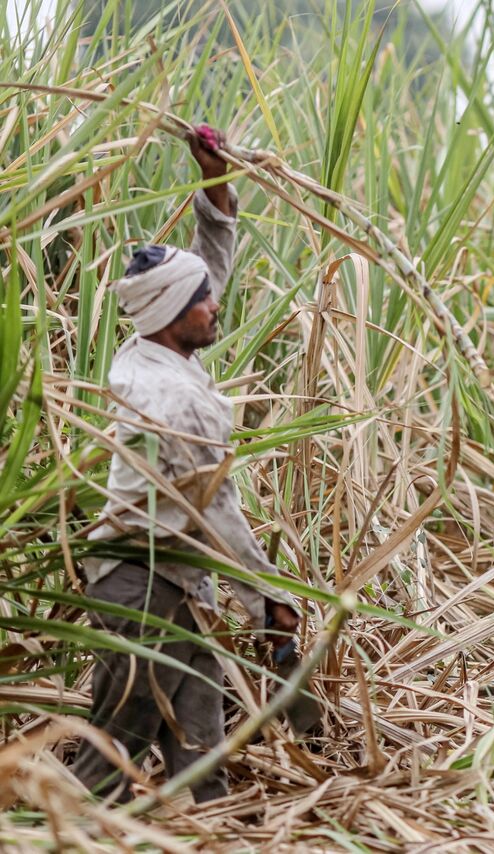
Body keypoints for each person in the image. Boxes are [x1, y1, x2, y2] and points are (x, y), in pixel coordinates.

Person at [72, 124, 300, 804]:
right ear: (174, 314)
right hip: (141, 588)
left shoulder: (156, 347)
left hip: (174, 583)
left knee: (200, 747)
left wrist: (214, 182)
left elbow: (207, 271)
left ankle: (213, 826)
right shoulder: (174, 398)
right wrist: (270, 600)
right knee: (113, 753)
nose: (215, 305)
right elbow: (219, 514)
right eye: (202, 301)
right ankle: (49, 832)